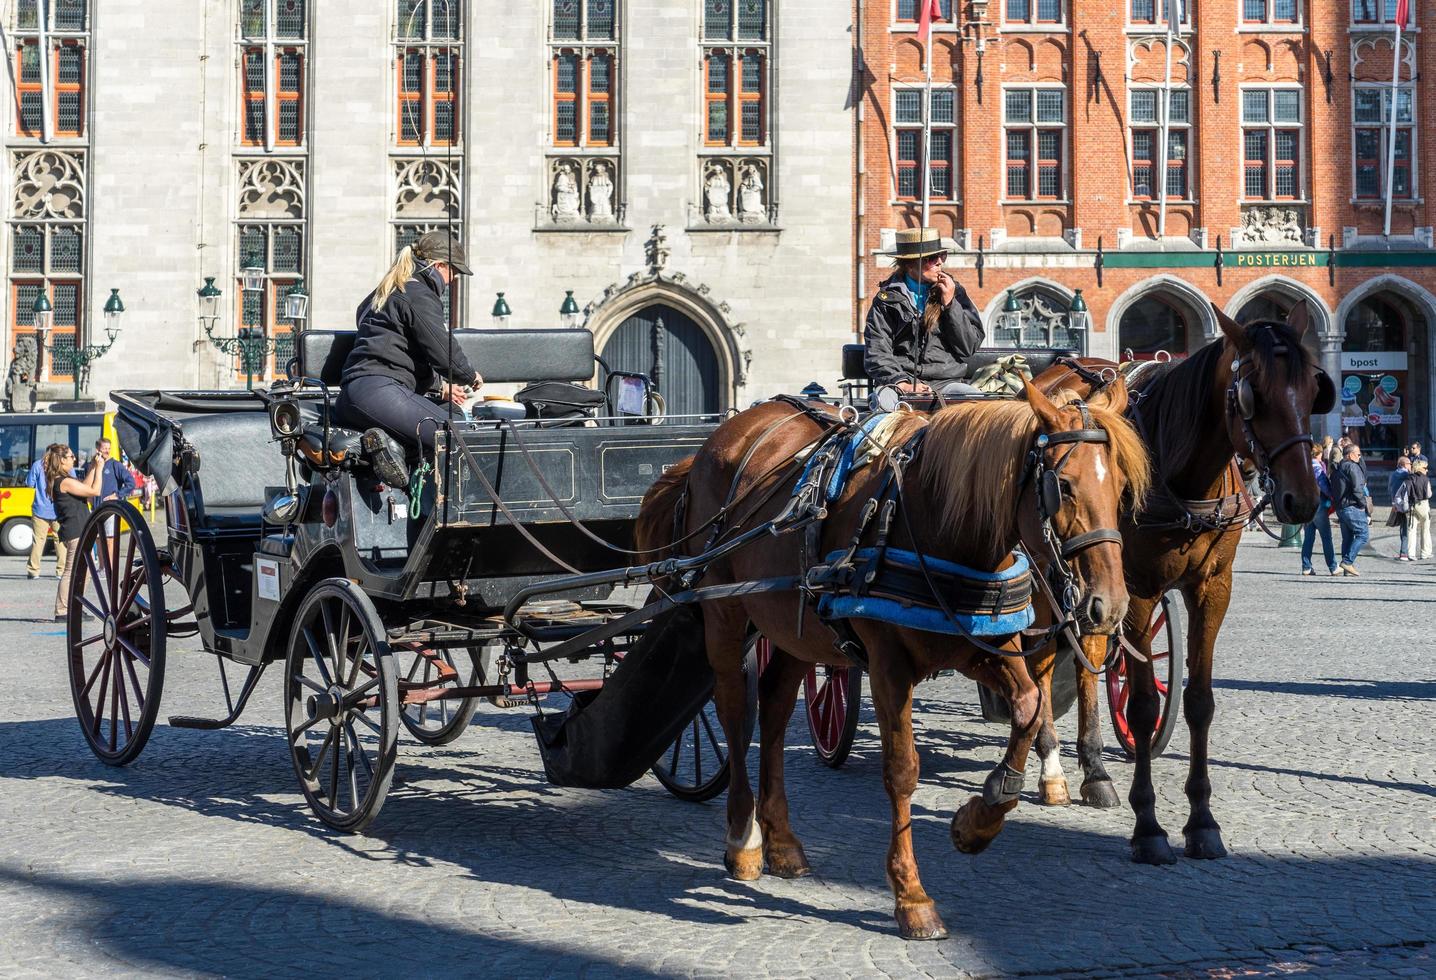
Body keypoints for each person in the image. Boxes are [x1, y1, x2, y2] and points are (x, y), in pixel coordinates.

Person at [337, 231, 484, 452]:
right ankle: (390, 455)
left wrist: (439, 387)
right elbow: (443, 352)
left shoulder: (386, 291)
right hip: (381, 393)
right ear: (439, 265)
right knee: (459, 438)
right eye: (454, 271)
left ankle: (391, 455)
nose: (453, 279)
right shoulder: (418, 294)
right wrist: (470, 375)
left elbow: (395, 349)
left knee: (452, 412)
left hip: (359, 394)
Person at [864, 227, 985, 395]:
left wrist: (950, 304)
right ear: (909, 264)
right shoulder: (886, 301)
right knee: (885, 409)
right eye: (931, 258)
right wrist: (902, 383)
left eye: (942, 256)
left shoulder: (955, 292)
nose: (939, 262)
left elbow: (969, 346)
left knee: (974, 401)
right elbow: (877, 352)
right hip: (900, 382)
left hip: (947, 382)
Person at [47, 445, 102, 620]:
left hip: (79, 528)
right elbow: (94, 491)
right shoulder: (63, 481)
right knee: (71, 570)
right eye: (71, 456)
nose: (74, 459)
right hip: (75, 530)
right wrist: (100, 469)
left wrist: (93, 467)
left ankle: (74, 606)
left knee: (84, 571)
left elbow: (84, 489)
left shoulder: (65, 479)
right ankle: (63, 610)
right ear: (62, 460)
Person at [23, 442, 68, 581]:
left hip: (39, 508)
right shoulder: (62, 465)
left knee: (38, 541)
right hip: (58, 509)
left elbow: (29, 483)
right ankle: (61, 571)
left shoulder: (37, 465)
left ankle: (33, 571)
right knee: (60, 540)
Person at [1330, 442, 1371, 576]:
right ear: (1350, 455)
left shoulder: (1337, 467)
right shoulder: (1352, 467)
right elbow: (1358, 489)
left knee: (1347, 538)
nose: (1360, 456)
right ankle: (1347, 562)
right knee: (1363, 535)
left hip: (1341, 508)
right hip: (1352, 506)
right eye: (1358, 454)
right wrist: (1363, 504)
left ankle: (1346, 569)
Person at [1300, 444, 1337, 577]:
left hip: (1307, 505)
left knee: (1309, 538)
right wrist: (1332, 496)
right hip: (1319, 504)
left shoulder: (1304, 467)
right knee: (1326, 537)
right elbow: (1323, 485)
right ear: (1319, 454)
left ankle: (1306, 566)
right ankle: (1333, 566)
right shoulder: (1316, 466)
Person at [1404, 459, 1432, 560]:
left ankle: (1411, 554)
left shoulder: (1408, 478)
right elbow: (1429, 494)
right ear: (1420, 468)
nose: (1427, 470)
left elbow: (1406, 493)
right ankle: (1425, 553)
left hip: (1412, 505)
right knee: (1425, 529)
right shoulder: (1425, 479)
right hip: (1423, 504)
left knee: (1411, 530)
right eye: (1425, 468)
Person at [94, 438, 135, 503]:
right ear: (97, 449)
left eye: (109, 448)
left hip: (111, 508)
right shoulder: (94, 466)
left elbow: (131, 483)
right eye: (104, 448)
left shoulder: (116, 465)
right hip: (97, 509)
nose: (107, 451)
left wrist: (117, 495)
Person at [1388, 456, 1412, 560]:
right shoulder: (1407, 475)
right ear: (1404, 465)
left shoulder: (1393, 474)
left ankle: (1404, 552)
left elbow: (1390, 489)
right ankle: (1405, 553)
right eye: (1409, 464)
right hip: (1406, 504)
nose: (1410, 465)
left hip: (1397, 504)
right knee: (1407, 528)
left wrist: (1393, 503)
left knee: (1403, 528)